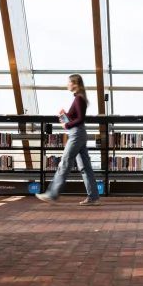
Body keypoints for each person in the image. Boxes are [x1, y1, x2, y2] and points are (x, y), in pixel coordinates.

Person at [36, 74, 101, 206]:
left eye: (69, 83)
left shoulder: (79, 99)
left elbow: (81, 119)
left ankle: (52, 194)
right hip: (79, 133)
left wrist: (66, 124)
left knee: (65, 162)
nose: (67, 85)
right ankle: (93, 197)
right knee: (85, 168)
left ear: (75, 84)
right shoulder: (78, 99)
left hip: (76, 134)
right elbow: (77, 116)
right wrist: (66, 117)